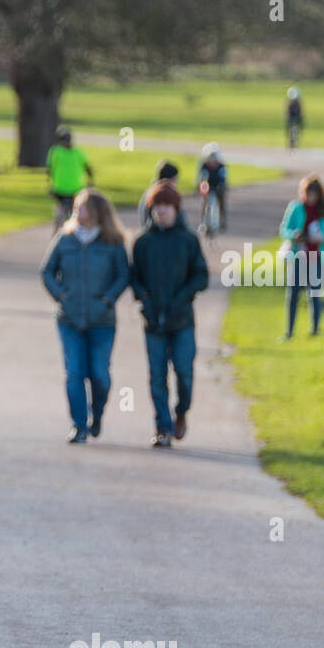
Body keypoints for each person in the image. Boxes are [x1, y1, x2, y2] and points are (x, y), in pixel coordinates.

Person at [40, 188, 129, 444]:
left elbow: (124, 275)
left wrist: (108, 298)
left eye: (84, 207)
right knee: (74, 372)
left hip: (102, 320)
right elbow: (46, 271)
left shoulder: (112, 242)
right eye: (77, 207)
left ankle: (97, 414)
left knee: (99, 374)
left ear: (97, 212)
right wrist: (61, 296)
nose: (78, 212)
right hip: (69, 319)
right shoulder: (65, 239)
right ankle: (78, 425)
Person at [131, 181, 209, 448]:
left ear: (176, 209)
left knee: (184, 373)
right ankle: (162, 427)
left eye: (166, 206)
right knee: (156, 377)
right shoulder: (143, 242)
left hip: (182, 321)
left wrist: (183, 297)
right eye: (157, 207)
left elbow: (201, 276)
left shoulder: (187, 241)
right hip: (153, 321)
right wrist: (144, 298)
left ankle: (182, 411)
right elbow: (135, 278)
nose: (161, 212)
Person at [279, 174, 324, 339]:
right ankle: (289, 332)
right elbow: (283, 229)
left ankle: (315, 329)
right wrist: (294, 234)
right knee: (293, 294)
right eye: (307, 194)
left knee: (314, 294)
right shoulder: (296, 207)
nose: (310, 198)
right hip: (298, 255)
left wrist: (323, 238)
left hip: (317, 258)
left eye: (313, 195)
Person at [45, 126, 93, 232]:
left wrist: (49, 184)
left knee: (59, 215)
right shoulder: (78, 152)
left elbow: (49, 170)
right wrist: (91, 182)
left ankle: (57, 236)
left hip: (59, 189)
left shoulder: (55, 151)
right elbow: (88, 168)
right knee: (76, 214)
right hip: (77, 188)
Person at [139, 158, 184, 229]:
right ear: (168, 179)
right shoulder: (152, 195)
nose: (176, 183)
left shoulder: (149, 192)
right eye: (175, 179)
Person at [196, 143, 228, 233]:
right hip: (208, 187)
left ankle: (222, 222)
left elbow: (223, 179)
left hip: (218, 187)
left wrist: (222, 187)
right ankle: (203, 223)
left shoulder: (221, 166)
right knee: (204, 204)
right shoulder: (204, 166)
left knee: (221, 203)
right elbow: (202, 178)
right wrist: (201, 187)